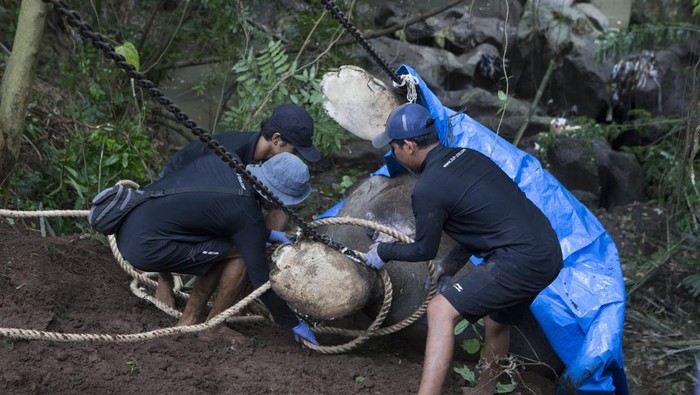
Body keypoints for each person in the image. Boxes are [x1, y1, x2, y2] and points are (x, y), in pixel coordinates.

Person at [365, 103, 563, 394]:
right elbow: (478, 225)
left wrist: (383, 253)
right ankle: (485, 390)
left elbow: (423, 251)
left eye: (393, 146)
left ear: (408, 146)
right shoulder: (468, 157)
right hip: (547, 250)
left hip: (520, 259)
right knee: (496, 323)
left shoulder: (428, 187)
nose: (392, 153)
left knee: (440, 311)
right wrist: (450, 266)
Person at [116, 151, 319, 347]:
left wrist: (264, 234)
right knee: (240, 254)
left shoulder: (227, 163)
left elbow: (209, 211)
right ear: (273, 192)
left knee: (229, 244)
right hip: (147, 248)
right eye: (279, 200)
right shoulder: (246, 212)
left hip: (130, 227)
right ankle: (211, 325)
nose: (277, 205)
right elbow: (260, 278)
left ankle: (193, 319)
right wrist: (292, 322)